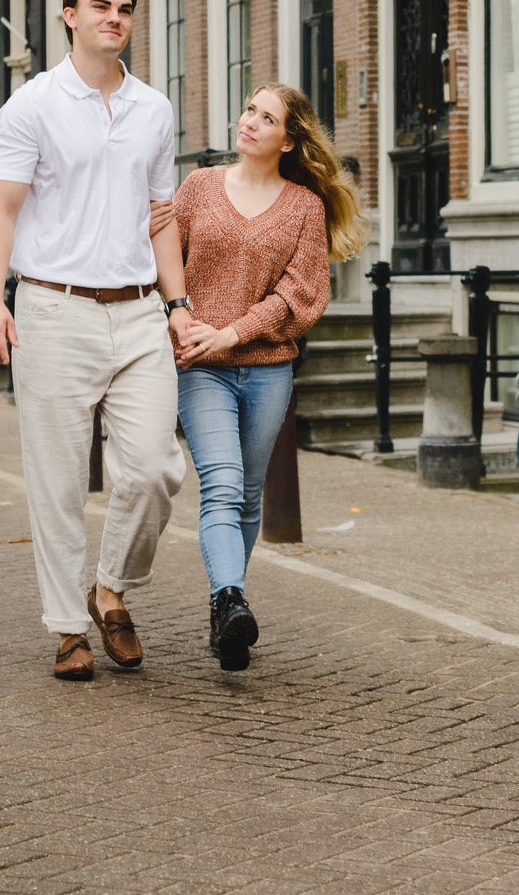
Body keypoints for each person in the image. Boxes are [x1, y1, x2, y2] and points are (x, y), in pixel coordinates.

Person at [0, 0, 193, 682]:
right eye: (100, 6)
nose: (115, 18)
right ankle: (68, 627)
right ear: (70, 15)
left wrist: (180, 302)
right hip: (54, 306)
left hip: (137, 312)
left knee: (158, 468)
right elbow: (1, 210)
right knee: (59, 479)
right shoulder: (31, 107)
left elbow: (161, 218)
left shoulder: (154, 110)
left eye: (125, 9)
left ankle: (110, 588)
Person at [163, 83, 368, 671]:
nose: (249, 121)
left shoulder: (303, 206)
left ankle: (225, 610)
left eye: (267, 117)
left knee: (248, 496)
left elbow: (299, 293)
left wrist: (233, 331)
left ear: (289, 138)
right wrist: (180, 315)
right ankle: (231, 599)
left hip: (268, 368)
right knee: (222, 486)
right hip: (201, 368)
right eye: (249, 109)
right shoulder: (199, 188)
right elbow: (162, 256)